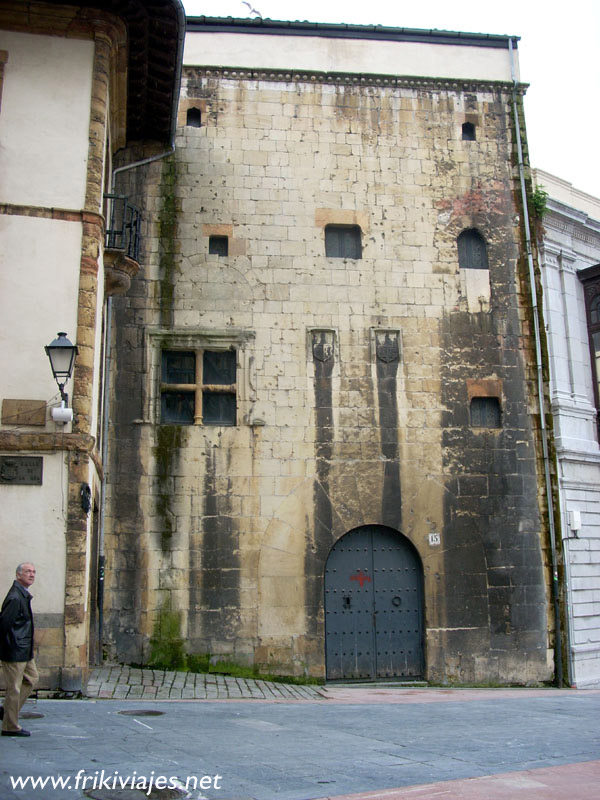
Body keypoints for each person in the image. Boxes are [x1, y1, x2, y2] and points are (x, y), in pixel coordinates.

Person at [0, 563, 39, 737]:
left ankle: (7, 710)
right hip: (15, 649)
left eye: (33, 572)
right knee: (14, 688)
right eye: (27, 572)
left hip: (24, 649)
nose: (31, 575)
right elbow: (4, 624)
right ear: (18, 575)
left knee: (31, 678)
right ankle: (10, 725)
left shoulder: (22, 594)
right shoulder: (15, 597)